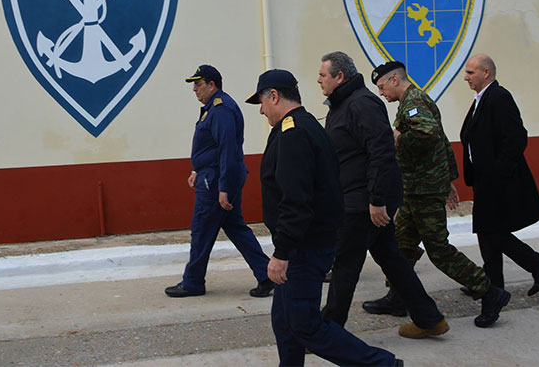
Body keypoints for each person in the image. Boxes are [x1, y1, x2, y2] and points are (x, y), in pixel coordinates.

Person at [246, 68, 402, 366]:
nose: (262, 111)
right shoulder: (303, 125)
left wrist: (282, 252)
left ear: (274, 96)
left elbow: (296, 200)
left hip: (304, 247)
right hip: (305, 242)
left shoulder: (294, 133)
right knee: (284, 320)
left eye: (262, 103)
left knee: (305, 325)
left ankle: (383, 364)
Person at [365, 61, 510, 328]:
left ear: (395, 80)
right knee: (402, 244)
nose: (381, 93)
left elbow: (428, 133)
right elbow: (442, 139)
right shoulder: (412, 101)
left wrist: (397, 139)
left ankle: (489, 292)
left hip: (425, 189)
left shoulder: (413, 101)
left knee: (439, 250)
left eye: (382, 86)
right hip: (415, 188)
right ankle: (398, 297)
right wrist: (450, 177)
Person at [317, 51, 449, 339]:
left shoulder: (362, 104)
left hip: (363, 203)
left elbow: (382, 153)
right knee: (393, 261)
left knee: (345, 267)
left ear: (340, 76)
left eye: (323, 75)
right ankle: (430, 319)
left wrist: (376, 200)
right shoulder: (344, 105)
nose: (318, 80)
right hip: (358, 199)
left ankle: (327, 333)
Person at [165, 65, 274, 298]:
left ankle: (193, 282)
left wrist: (223, 188)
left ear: (212, 85)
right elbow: (212, 148)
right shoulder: (214, 108)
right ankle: (266, 275)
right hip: (212, 176)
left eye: (198, 84)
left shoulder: (221, 109)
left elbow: (227, 150)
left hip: (215, 182)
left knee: (201, 230)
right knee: (235, 228)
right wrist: (197, 169)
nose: (194, 89)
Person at [460, 54, 539, 296]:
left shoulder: (499, 97)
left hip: (495, 181)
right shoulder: (482, 99)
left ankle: (538, 264)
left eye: (470, 72)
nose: (466, 77)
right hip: (483, 179)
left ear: (486, 73)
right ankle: (493, 287)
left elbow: (516, 138)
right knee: (486, 232)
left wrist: (497, 174)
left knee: (491, 232)